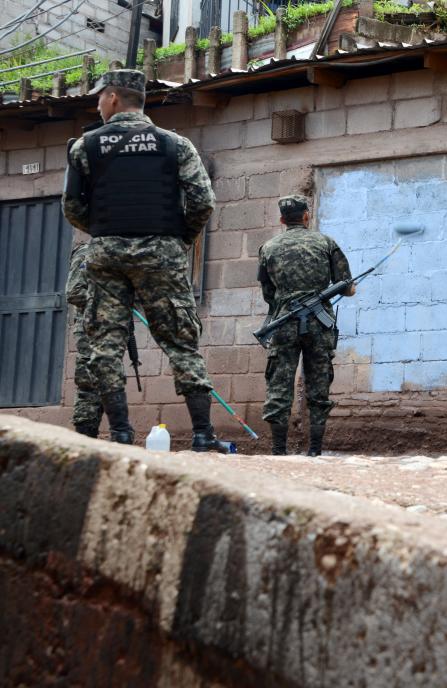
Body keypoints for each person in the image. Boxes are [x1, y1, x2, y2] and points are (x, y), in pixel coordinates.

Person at [61, 69, 231, 452]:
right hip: (162, 253)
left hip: (106, 256)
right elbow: (203, 201)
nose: (97, 103)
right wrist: (178, 240)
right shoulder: (175, 144)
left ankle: (120, 433)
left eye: (100, 96)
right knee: (181, 343)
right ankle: (203, 434)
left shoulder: (84, 146)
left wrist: (105, 231)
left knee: (104, 344)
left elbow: (71, 207)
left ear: (114, 99)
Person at [258, 195, 354, 456]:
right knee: (318, 385)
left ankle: (279, 450)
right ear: (306, 216)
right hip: (319, 326)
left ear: (282, 220)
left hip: (284, 322)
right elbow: (347, 287)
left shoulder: (268, 248)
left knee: (279, 386)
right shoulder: (326, 243)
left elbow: (268, 292)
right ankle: (315, 450)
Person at [65, 241, 103, 438]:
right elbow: (74, 293)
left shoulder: (117, 250)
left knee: (107, 382)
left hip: (110, 330)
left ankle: (93, 435)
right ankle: (84, 436)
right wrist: (107, 302)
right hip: (89, 327)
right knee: (88, 384)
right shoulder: (87, 251)